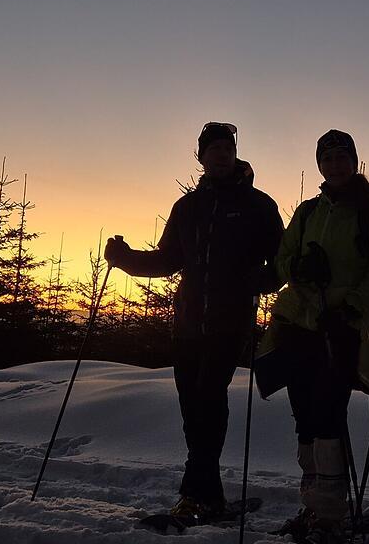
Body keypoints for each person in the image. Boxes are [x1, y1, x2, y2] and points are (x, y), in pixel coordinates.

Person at [104, 122, 283, 522]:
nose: (221, 154)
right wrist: (125, 258)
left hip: (230, 321)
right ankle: (210, 496)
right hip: (187, 323)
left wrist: (264, 280)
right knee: (192, 407)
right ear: (200, 157)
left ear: (235, 155)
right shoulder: (186, 208)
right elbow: (168, 261)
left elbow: (281, 261)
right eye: (214, 149)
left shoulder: (259, 205)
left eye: (227, 148)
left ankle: (192, 495)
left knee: (208, 400)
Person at [254, 129, 369, 544]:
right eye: (327, 158)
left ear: (354, 162)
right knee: (305, 416)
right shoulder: (308, 210)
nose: (334, 165)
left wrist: (354, 302)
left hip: (342, 325)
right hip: (300, 322)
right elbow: (282, 258)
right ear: (320, 164)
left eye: (341, 157)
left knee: (328, 412)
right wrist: (295, 268)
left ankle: (329, 515)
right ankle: (313, 506)